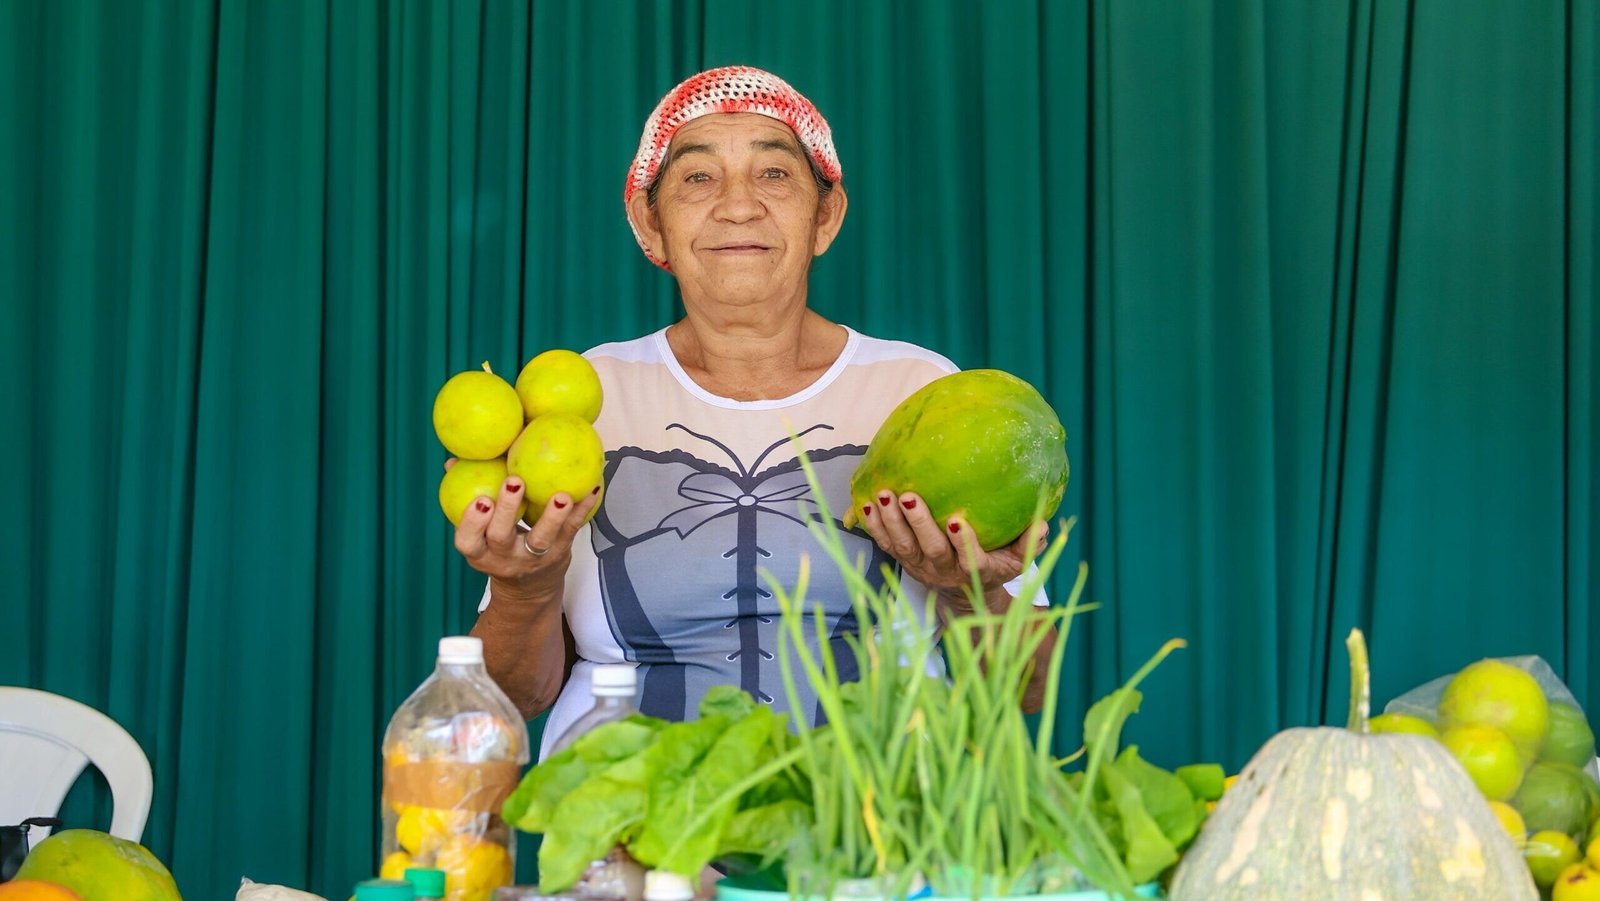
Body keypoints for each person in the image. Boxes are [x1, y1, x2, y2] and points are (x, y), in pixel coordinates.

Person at [457, 66, 1055, 757]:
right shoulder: (580, 401)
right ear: (651, 224)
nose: (738, 206)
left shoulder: (921, 391)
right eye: (698, 178)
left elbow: (1026, 690)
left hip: (876, 811)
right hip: (625, 810)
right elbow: (517, 696)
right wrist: (526, 587)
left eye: (774, 174)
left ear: (825, 217)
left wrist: (967, 594)